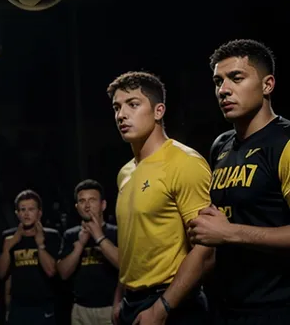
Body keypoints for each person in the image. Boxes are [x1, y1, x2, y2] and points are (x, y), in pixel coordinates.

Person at [188, 39, 290, 324]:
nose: (223, 90)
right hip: (223, 307)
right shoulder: (220, 145)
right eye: (218, 81)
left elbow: (227, 231)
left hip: (275, 308)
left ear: (268, 85)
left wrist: (230, 233)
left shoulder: (284, 142)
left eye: (236, 78)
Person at [107, 71, 214, 325]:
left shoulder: (184, 162)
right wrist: (119, 297)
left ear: (158, 111)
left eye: (133, 105)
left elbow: (206, 250)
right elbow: (134, 245)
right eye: (117, 107)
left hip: (174, 303)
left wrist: (162, 308)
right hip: (130, 303)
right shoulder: (125, 173)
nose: (121, 115)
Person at [57, 179, 118, 325]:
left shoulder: (116, 232)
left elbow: (125, 266)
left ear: (103, 205)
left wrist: (99, 236)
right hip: (80, 309)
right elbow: (63, 273)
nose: (87, 206)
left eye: (92, 200)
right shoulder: (70, 235)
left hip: (110, 308)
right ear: (77, 206)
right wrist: (79, 246)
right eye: (82, 201)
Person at [0, 190, 61, 325]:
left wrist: (40, 244)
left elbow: (51, 271)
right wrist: (9, 246)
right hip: (18, 307)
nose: (26, 213)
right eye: (22, 209)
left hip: (44, 306)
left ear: (39, 212)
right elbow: (1, 274)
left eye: (31, 209)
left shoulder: (51, 236)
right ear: (17, 214)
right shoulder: (8, 237)